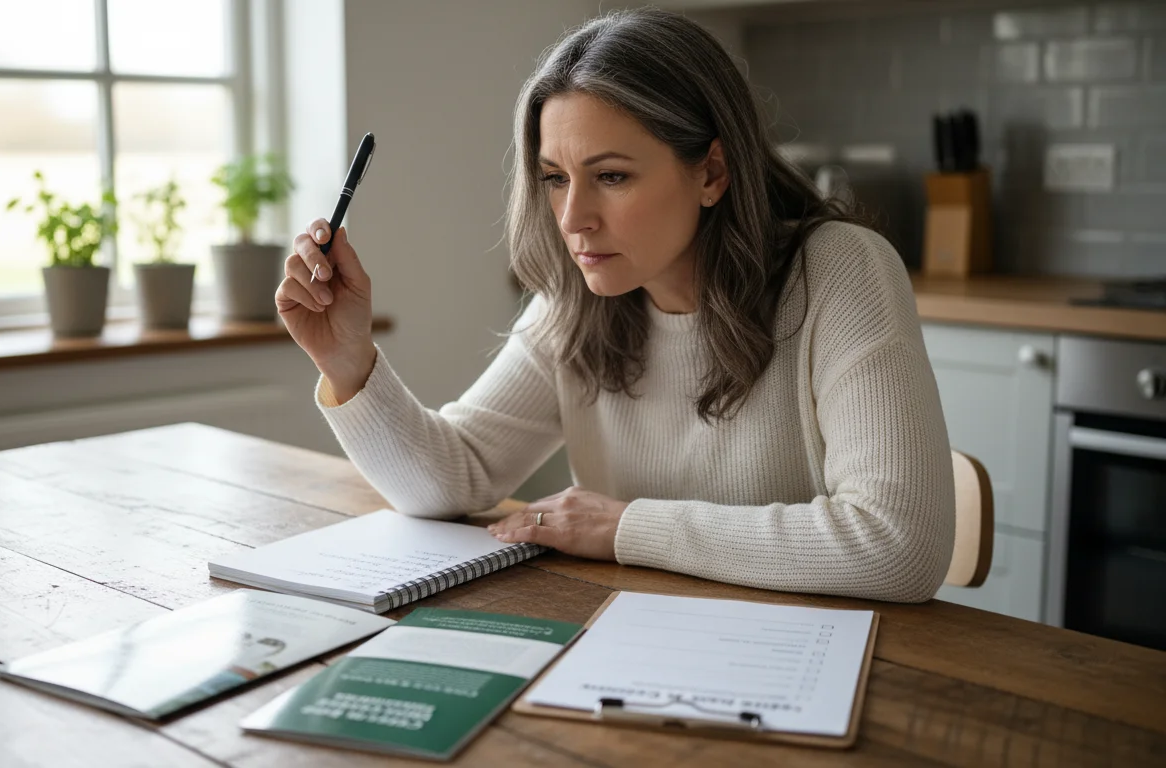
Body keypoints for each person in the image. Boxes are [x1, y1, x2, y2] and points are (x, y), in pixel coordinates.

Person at [274, 8, 953, 603]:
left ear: (711, 173)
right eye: (554, 179)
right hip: (631, 640)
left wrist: (625, 526)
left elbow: (898, 545)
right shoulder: (576, 301)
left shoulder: (839, 272)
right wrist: (347, 359)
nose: (573, 219)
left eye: (612, 177)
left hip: (812, 661)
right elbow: (453, 479)